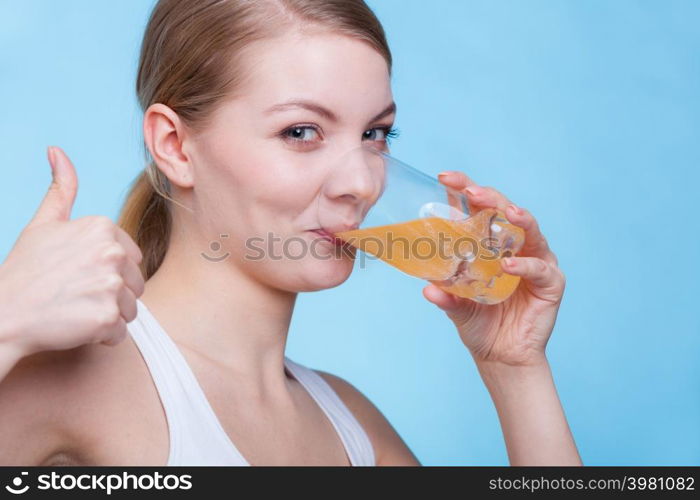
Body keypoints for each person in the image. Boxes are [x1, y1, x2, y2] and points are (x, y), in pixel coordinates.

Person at [0, 0, 580, 466]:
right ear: (175, 146)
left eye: (376, 135)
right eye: (302, 131)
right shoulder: (69, 385)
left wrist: (516, 371)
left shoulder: (353, 427)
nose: (361, 181)